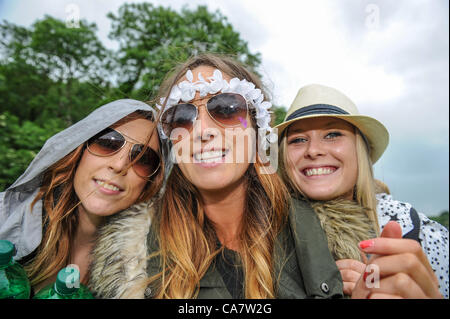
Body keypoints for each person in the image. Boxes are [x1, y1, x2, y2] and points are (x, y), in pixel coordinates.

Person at [88, 53, 345, 299]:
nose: (202, 131)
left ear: (256, 128)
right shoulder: (133, 258)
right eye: (181, 116)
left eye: (227, 109)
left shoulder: (330, 240)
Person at [275, 83, 448, 298]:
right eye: (298, 140)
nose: (313, 150)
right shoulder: (261, 235)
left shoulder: (419, 232)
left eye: (332, 134)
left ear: (360, 151)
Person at [0, 99, 166, 295]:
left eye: (144, 158)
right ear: (79, 151)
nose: (120, 165)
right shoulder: (4, 218)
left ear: (150, 183)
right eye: (108, 143)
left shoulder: (155, 273)